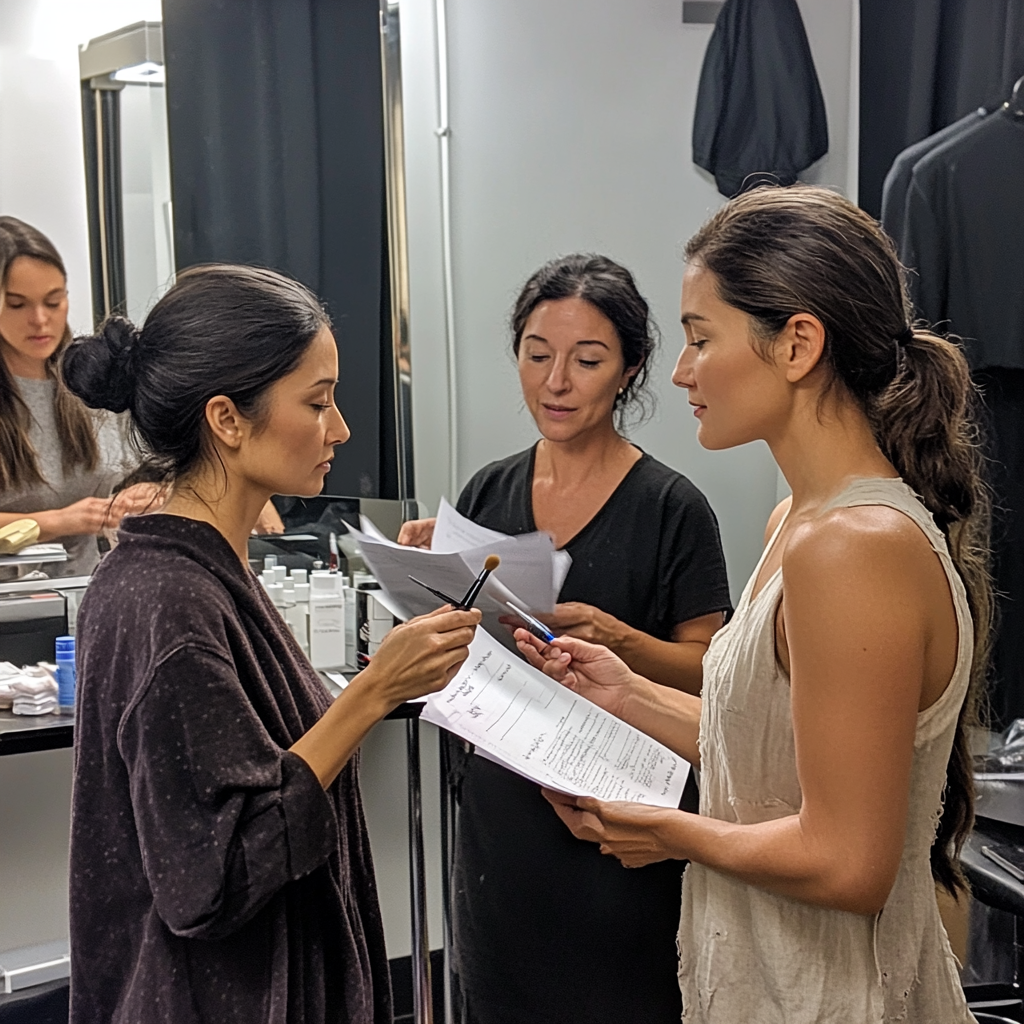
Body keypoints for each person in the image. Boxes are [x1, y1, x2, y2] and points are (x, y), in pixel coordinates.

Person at [518, 186, 990, 1023]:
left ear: (798, 343)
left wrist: (665, 831)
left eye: (701, 338)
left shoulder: (854, 546)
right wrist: (627, 694)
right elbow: (779, 752)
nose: (679, 369)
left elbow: (849, 863)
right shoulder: (796, 522)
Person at [62, 264, 480, 1024]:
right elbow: (213, 878)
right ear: (227, 418)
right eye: (316, 402)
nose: (341, 428)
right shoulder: (167, 602)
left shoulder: (209, 572)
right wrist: (372, 691)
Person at [400, 255, 732, 1024]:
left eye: (587, 361)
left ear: (631, 370)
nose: (556, 382)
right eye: (537, 355)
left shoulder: (673, 508)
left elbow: (713, 683)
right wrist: (427, 575)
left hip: (615, 830)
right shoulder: (488, 489)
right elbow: (463, 649)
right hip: (499, 826)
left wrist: (622, 640)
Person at [0, 216, 155, 576]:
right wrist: (56, 521)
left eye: (53, 302)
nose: (40, 320)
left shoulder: (89, 379)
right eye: (17, 305)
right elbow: (70, 516)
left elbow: (132, 474)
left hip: (83, 596)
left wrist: (140, 494)